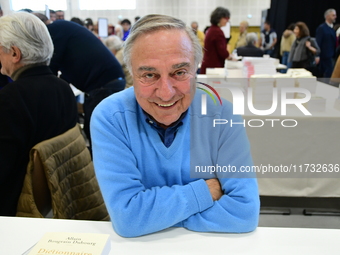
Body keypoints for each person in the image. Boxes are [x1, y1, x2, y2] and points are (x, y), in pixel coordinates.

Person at [91, 14, 259, 238]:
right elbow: (128, 218)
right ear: (131, 74)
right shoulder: (111, 118)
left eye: (179, 72)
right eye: (149, 75)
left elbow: (244, 212)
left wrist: (154, 218)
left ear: (196, 70)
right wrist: (204, 192)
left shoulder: (223, 114)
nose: (166, 92)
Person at [0, 12, 78, 216]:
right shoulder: (63, 88)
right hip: (54, 198)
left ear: (15, 53)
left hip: (16, 204)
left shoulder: (11, 98)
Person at [45, 19, 125, 146]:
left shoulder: (53, 31)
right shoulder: (64, 29)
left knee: (99, 136)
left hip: (103, 85)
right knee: (99, 133)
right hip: (107, 82)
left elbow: (50, 67)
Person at [200, 7, 231, 74]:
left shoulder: (211, 29)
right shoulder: (217, 32)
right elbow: (222, 52)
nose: (227, 21)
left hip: (208, 64)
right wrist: (230, 57)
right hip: (214, 66)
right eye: (226, 18)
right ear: (219, 18)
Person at [316, 9, 337, 78]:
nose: (335, 17)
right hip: (324, 57)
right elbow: (318, 42)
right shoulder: (322, 28)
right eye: (333, 15)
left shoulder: (332, 28)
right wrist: (317, 55)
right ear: (327, 16)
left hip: (331, 56)